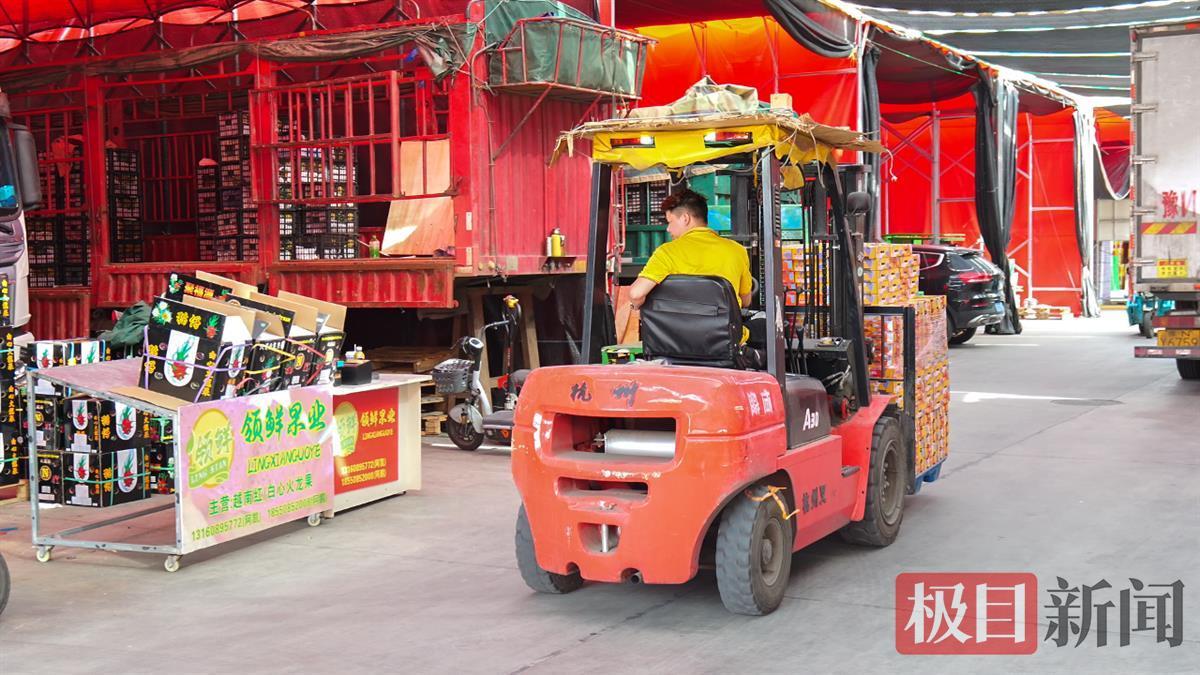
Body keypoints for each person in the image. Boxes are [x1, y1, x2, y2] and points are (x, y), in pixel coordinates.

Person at [627, 189, 753, 309]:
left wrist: (635, 307)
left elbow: (636, 294)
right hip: (724, 325)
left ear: (685, 218)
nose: (668, 229)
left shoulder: (667, 252)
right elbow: (746, 301)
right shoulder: (737, 250)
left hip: (675, 325)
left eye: (670, 222)